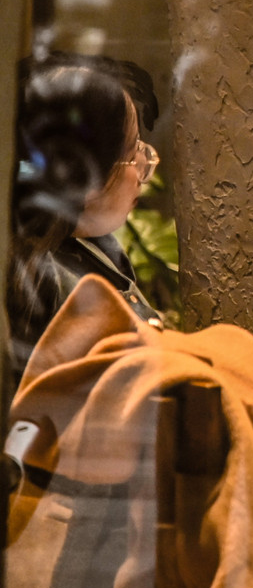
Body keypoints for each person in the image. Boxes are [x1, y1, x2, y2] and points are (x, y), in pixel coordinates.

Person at [8, 59, 161, 381]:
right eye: (132, 150)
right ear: (86, 175)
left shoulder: (101, 248)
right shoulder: (45, 281)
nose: (144, 165)